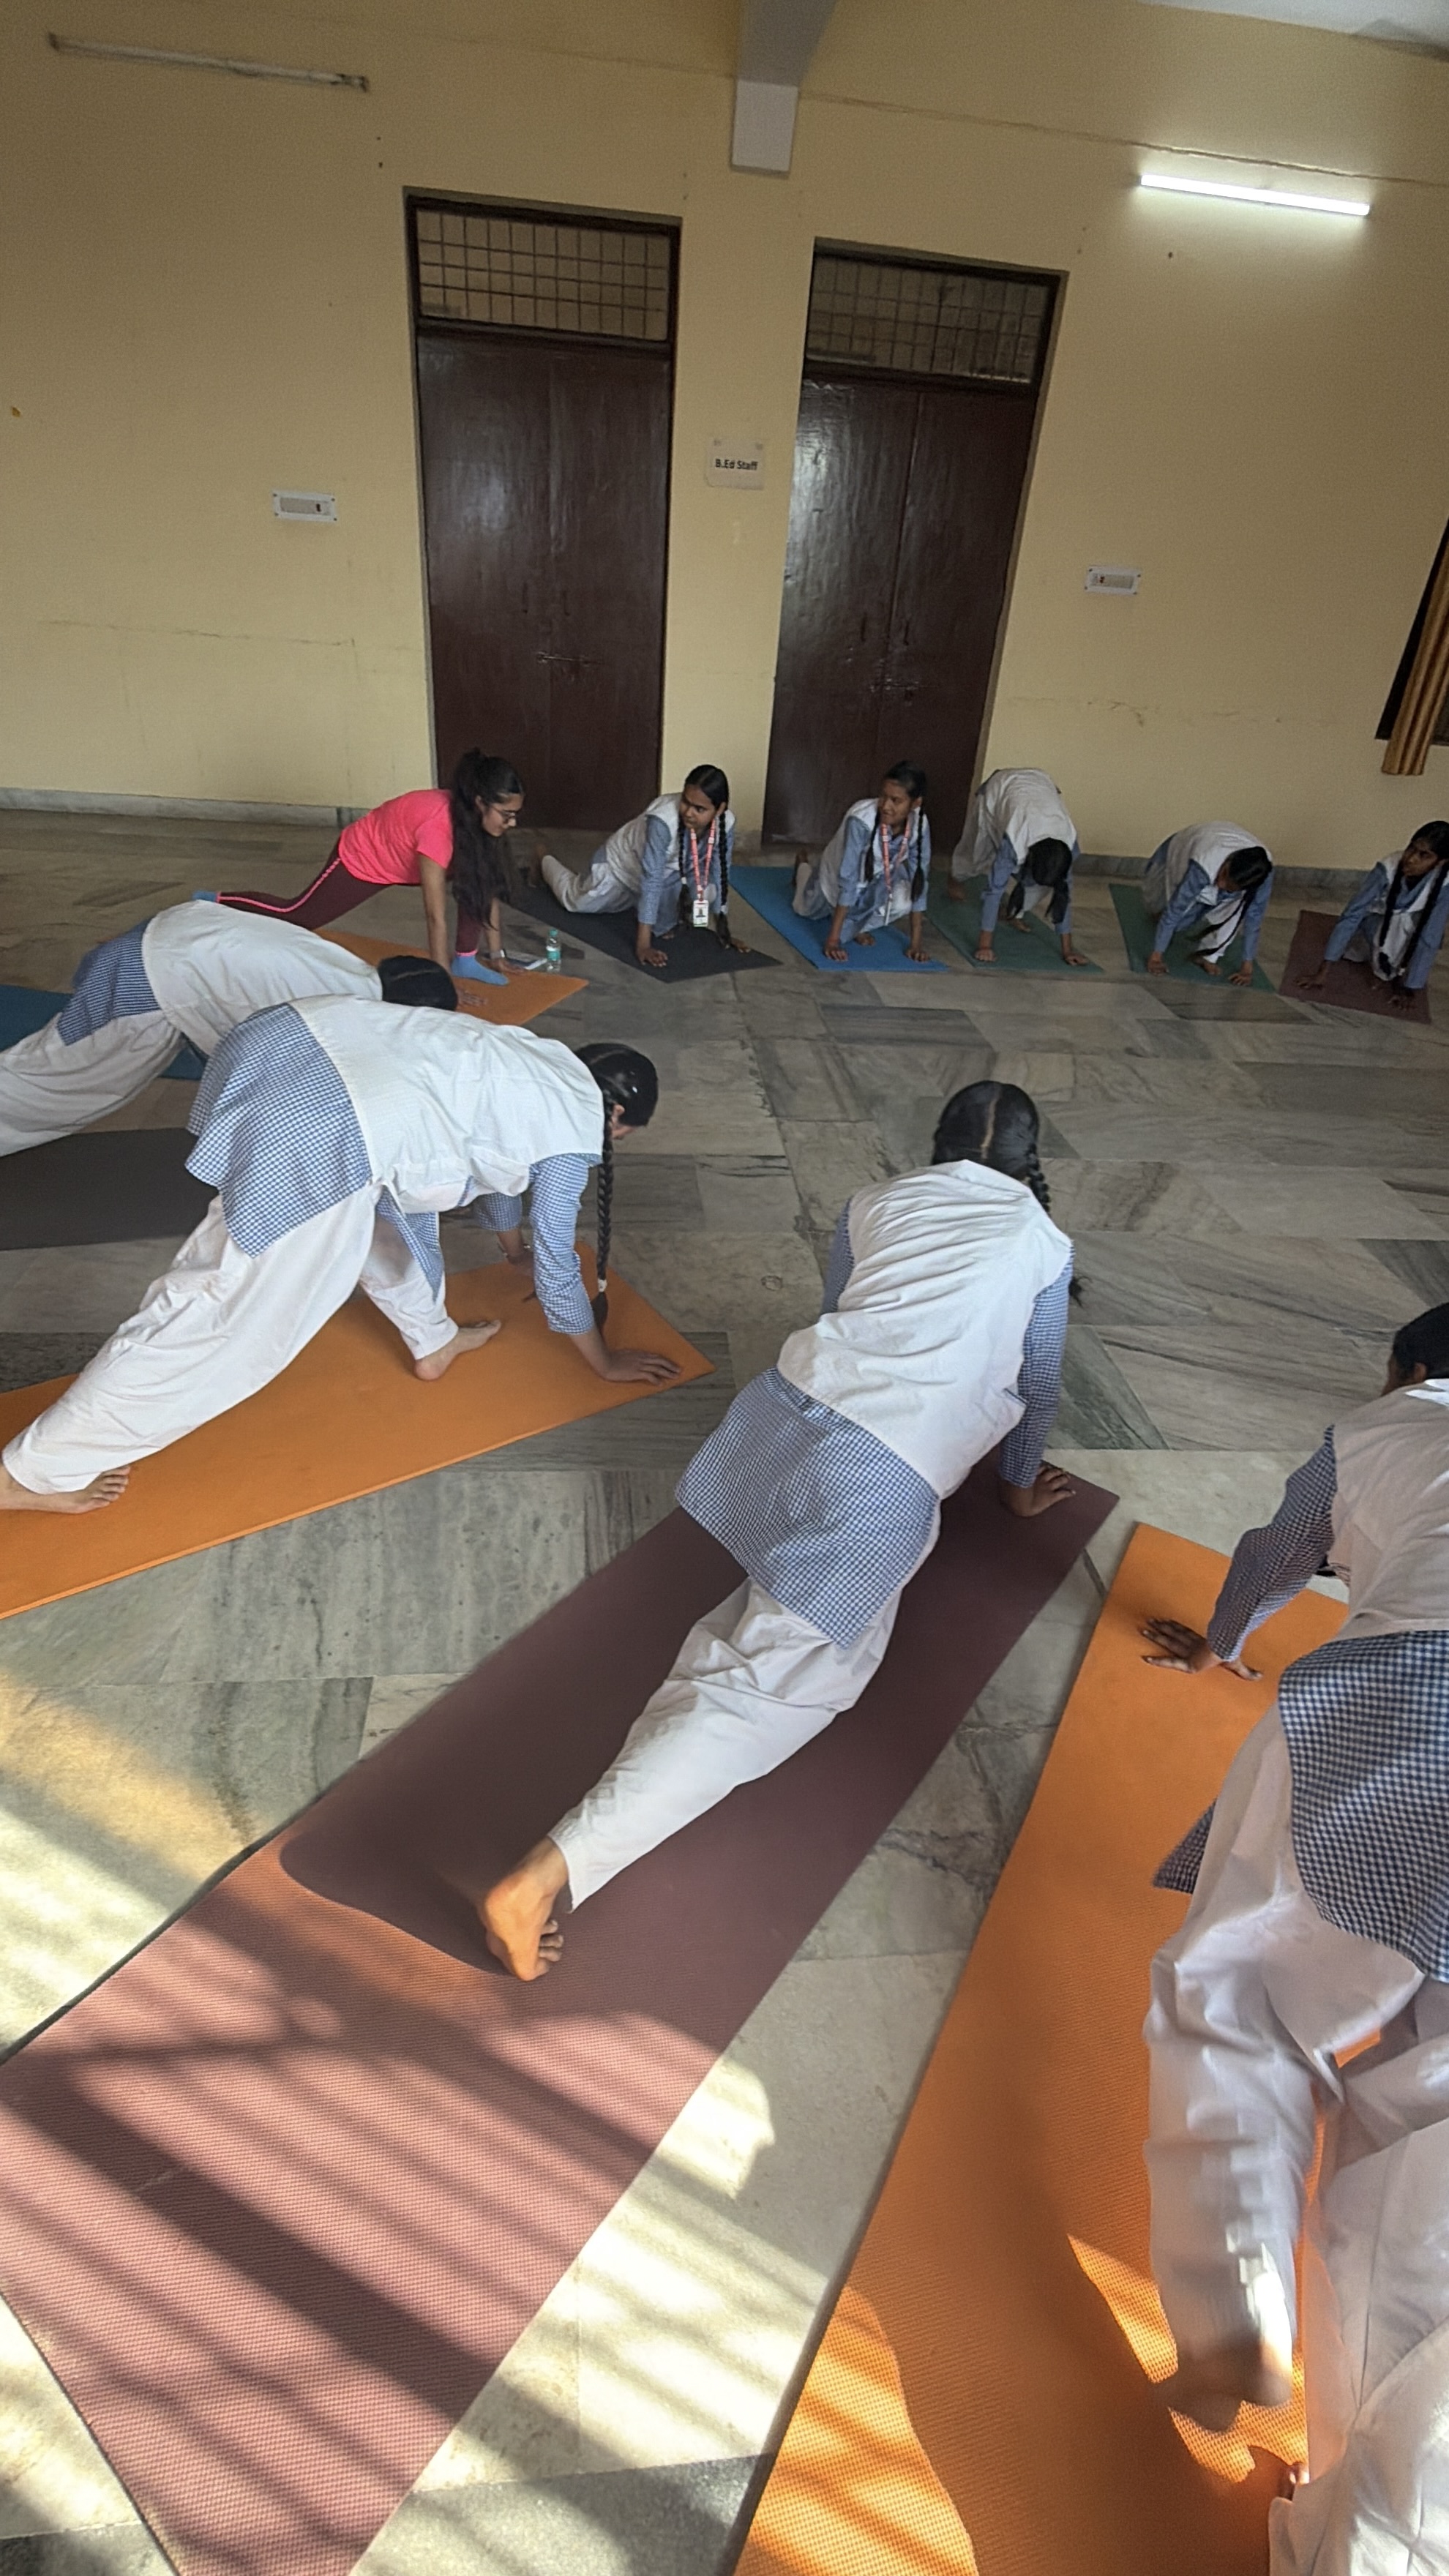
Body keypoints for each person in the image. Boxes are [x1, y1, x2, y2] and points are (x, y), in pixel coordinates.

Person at [481, 1079, 1077, 1981]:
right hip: (874, 1471)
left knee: (749, 1643)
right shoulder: (1044, 1242)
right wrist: (1020, 1487)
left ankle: (678, 1727)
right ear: (1031, 1161)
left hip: (782, 1417)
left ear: (938, 1142)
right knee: (784, 1688)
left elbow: (843, 1300)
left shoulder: (876, 1200)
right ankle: (541, 1877)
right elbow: (1038, 1381)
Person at [1137, 1303, 1449, 2572]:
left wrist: (1222, 1648)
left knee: (1244, 2000)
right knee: (1427, 2149)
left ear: (1409, 1368)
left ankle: (1234, 2311)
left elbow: (1277, 1554)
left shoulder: (1381, 1426)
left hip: (1404, 1709)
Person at [0, 1012, 676, 1516]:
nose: (611, 1142)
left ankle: (433, 1342)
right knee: (227, 1319)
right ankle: (29, 1474)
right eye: (621, 1134)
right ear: (613, 1110)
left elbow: (505, 1182)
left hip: (292, 1047)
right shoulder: (573, 1121)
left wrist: (511, 1251)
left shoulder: (543, 1062)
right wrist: (603, 1360)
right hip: (324, 1120)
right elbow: (559, 1255)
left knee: (383, 1227)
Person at [0, 905, 444, 1156]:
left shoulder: (352, 970)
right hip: (153, 975)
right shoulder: (343, 1008)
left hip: (168, 934)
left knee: (51, 1065)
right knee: (62, 1084)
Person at [208, 752, 525, 986]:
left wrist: (496, 956)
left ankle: (466, 960)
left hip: (408, 857)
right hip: (367, 857)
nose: (511, 823)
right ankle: (217, 901)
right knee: (299, 915)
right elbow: (435, 916)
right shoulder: (438, 828)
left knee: (480, 878)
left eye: (514, 815)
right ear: (481, 803)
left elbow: (487, 892)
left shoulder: (478, 825)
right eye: (506, 814)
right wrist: (440, 983)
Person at [536, 768, 746, 973]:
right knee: (576, 902)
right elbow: (651, 878)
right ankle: (543, 857)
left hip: (670, 875)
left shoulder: (725, 823)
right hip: (622, 866)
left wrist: (723, 931)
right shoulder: (663, 819)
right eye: (685, 802)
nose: (688, 813)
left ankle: (640, 903)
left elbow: (720, 873)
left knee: (672, 920)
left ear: (719, 809)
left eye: (699, 809)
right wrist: (643, 946)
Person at [1296, 822, 1449, 1014]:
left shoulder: (1445, 883)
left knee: (1416, 935)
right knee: (1388, 937)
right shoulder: (1387, 868)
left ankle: (1387, 964)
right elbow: (1352, 914)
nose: (1411, 859)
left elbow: (1430, 938)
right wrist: (1322, 973)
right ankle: (1376, 956)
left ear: (1441, 862)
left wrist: (1410, 989)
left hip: (1407, 927)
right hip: (1374, 921)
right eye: (1411, 848)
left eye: (1424, 855)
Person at [946, 767, 1086, 968]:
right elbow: (994, 891)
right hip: (1000, 790)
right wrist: (985, 946)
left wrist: (1068, 950)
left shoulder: (1068, 847)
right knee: (976, 855)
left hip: (1039, 786)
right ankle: (955, 876)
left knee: (1044, 882)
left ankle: (1013, 912)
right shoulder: (1015, 841)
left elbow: (1065, 894)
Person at [792, 765, 931, 964]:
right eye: (884, 796)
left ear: (916, 803)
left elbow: (920, 877)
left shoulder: (920, 824)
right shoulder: (861, 820)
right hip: (839, 873)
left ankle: (859, 926)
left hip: (879, 878)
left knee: (904, 901)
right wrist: (834, 940)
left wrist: (916, 943)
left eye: (896, 801)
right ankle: (803, 867)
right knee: (804, 910)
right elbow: (848, 879)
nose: (886, 806)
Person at [1142, 823, 1273, 984]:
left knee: (1234, 911)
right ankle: (1165, 921)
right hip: (1190, 843)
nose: (1221, 885)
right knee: (1177, 918)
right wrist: (1156, 957)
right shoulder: (1205, 863)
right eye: (1223, 875)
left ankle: (1209, 958)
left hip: (1226, 858)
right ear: (1228, 861)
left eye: (1230, 886)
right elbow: (1176, 907)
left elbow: (1254, 918)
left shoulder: (1262, 876)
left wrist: (1247, 967)